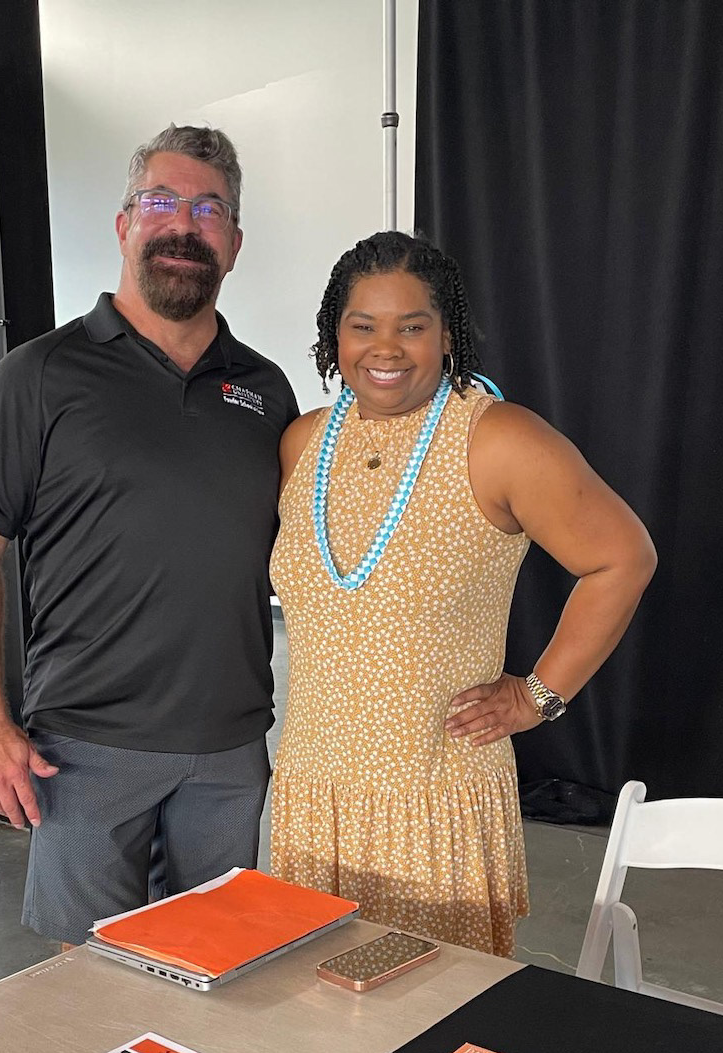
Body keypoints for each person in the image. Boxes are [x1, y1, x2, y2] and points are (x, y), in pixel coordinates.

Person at [0, 125, 298, 951]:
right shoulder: (39, 375)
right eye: (161, 202)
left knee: (215, 967)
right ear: (124, 223)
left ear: (235, 244)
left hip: (230, 743)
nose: (184, 225)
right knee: (90, 987)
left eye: (209, 209)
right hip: (85, 745)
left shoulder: (266, 391)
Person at [270, 231, 656, 956]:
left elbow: (622, 558)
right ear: (334, 336)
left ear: (447, 335)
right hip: (314, 795)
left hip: (432, 798)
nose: (386, 349)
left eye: (412, 327)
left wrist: (538, 696)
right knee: (312, 1005)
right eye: (363, 326)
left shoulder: (497, 439)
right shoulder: (305, 443)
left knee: (429, 1010)